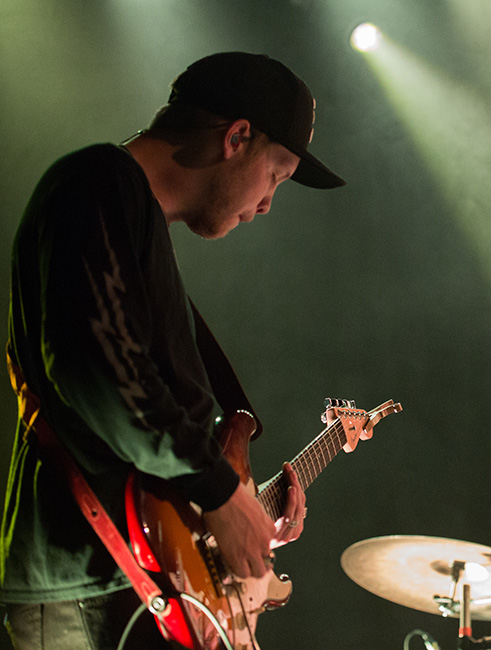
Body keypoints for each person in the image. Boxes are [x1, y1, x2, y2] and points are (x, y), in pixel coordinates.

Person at [2, 52, 345, 649]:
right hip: (90, 581)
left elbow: (155, 416)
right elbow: (103, 373)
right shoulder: (95, 183)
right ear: (237, 138)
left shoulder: (135, 221)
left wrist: (245, 507)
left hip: (136, 580)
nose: (268, 203)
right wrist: (219, 492)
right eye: (276, 175)